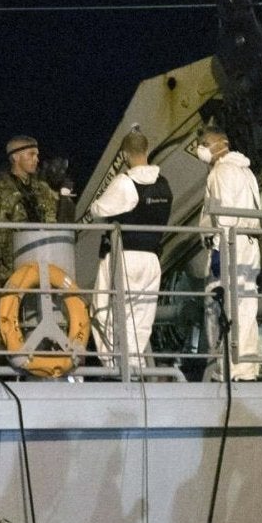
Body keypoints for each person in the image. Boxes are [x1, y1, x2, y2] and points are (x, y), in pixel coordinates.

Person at [87, 129, 173, 374]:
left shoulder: (125, 182)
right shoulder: (164, 185)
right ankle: (135, 367)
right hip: (152, 260)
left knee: (105, 310)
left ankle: (114, 367)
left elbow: (98, 210)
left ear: (124, 154)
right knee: (142, 316)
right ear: (147, 151)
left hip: (123, 256)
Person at [196, 118, 262, 380]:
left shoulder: (221, 172)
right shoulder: (245, 172)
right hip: (247, 246)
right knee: (245, 306)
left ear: (221, 145)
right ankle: (245, 367)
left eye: (205, 144)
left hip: (227, 246)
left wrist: (216, 250)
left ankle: (225, 368)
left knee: (219, 308)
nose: (201, 150)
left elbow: (224, 214)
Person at [0, 135, 61, 293]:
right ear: (15, 157)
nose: (36, 159)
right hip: (10, 264)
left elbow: (52, 223)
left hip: (42, 258)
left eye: (37, 155)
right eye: (31, 154)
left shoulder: (42, 189)